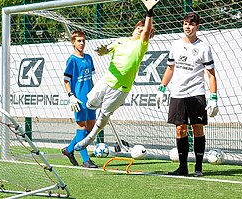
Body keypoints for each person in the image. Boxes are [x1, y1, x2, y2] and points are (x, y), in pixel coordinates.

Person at [74, 4, 155, 152]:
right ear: (134, 28)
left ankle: (91, 137)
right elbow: (107, 49)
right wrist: (104, 50)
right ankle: (110, 104)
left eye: (144, 30)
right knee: (89, 103)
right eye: (139, 28)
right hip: (106, 80)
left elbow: (146, 31)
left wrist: (149, 12)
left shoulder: (141, 45)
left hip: (121, 88)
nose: (141, 31)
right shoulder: (121, 41)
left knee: (104, 115)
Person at [156, 12, 219, 177]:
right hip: (178, 93)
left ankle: (198, 167)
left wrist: (213, 97)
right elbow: (170, 68)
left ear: (197, 27)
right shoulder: (175, 45)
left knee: (197, 128)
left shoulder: (204, 48)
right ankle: (182, 168)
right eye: (185, 24)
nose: (187, 27)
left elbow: (211, 74)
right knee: (180, 130)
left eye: (191, 24)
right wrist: (162, 88)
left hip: (196, 93)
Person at [62, 30, 98, 168]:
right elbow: (66, 81)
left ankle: (69, 149)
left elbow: (91, 79)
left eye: (83, 40)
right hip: (79, 100)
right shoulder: (72, 60)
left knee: (91, 128)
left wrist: (95, 94)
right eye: (79, 41)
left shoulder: (88, 58)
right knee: (81, 126)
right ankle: (85, 160)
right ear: (73, 42)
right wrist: (71, 96)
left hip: (90, 99)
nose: (82, 43)